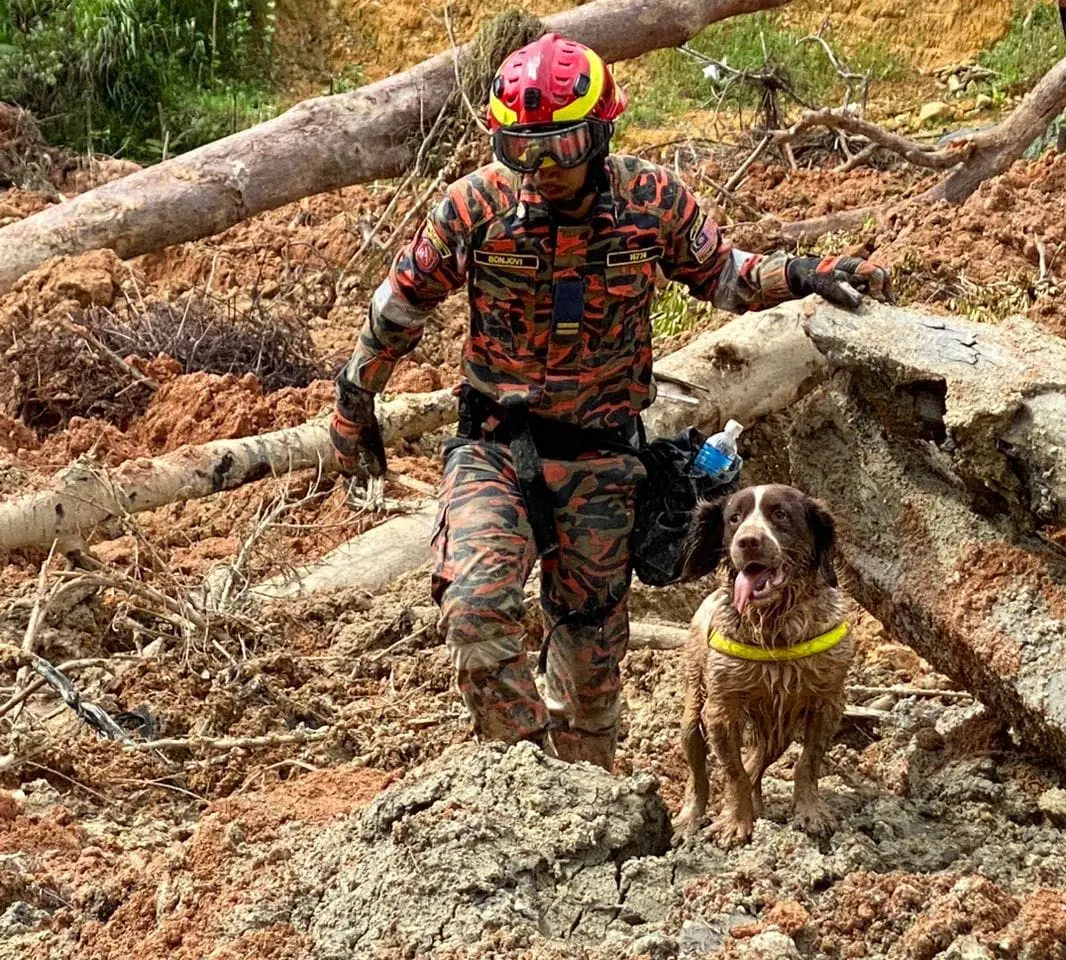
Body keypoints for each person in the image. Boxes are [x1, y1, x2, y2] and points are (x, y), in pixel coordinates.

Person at [328, 34, 894, 770]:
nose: (539, 168)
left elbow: (725, 274)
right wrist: (354, 404)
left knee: (590, 650)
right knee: (474, 609)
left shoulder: (650, 200)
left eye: (559, 146)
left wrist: (806, 272)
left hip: (602, 458)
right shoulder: (474, 207)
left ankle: (588, 794)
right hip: (495, 445)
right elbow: (398, 307)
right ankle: (525, 779)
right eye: (519, 147)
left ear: (600, 133)